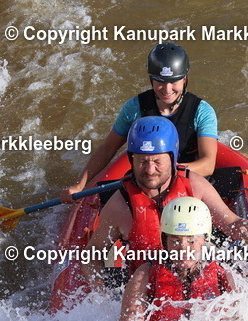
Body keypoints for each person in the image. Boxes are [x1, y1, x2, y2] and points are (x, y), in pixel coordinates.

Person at [81, 116, 248, 292]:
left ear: (172, 158)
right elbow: (92, 255)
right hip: (150, 291)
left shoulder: (194, 185)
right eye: (142, 162)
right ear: (131, 160)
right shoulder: (120, 205)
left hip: (201, 281)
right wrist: (102, 294)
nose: (149, 170)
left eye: (157, 161)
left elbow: (230, 224)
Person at [62, 43, 217, 203]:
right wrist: (79, 185)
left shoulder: (202, 111)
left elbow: (208, 164)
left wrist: (166, 172)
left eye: (174, 81)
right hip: (146, 181)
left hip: (186, 181)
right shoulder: (134, 108)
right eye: (160, 81)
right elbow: (108, 149)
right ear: (151, 80)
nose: (167, 89)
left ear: (184, 79)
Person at [117, 196, 235, 321]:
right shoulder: (146, 274)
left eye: (191, 241)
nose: (183, 248)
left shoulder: (222, 270)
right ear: (165, 241)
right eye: (175, 240)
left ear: (205, 240)